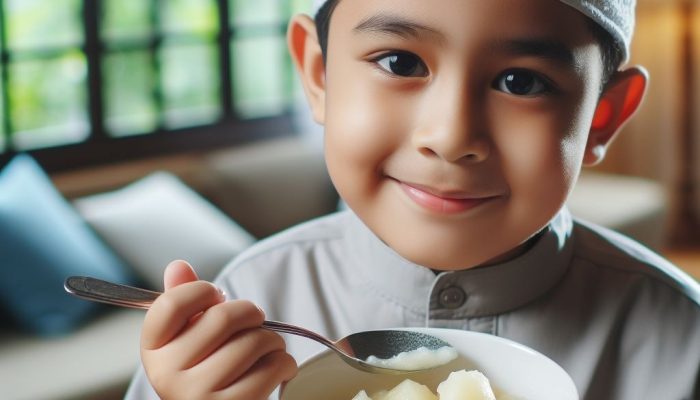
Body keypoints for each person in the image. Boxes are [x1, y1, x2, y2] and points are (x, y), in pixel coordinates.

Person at [125, 0, 700, 399]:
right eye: (400, 62)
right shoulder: (248, 301)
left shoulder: (682, 341)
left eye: (521, 82)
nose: (450, 137)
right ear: (318, 74)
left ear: (602, 117)